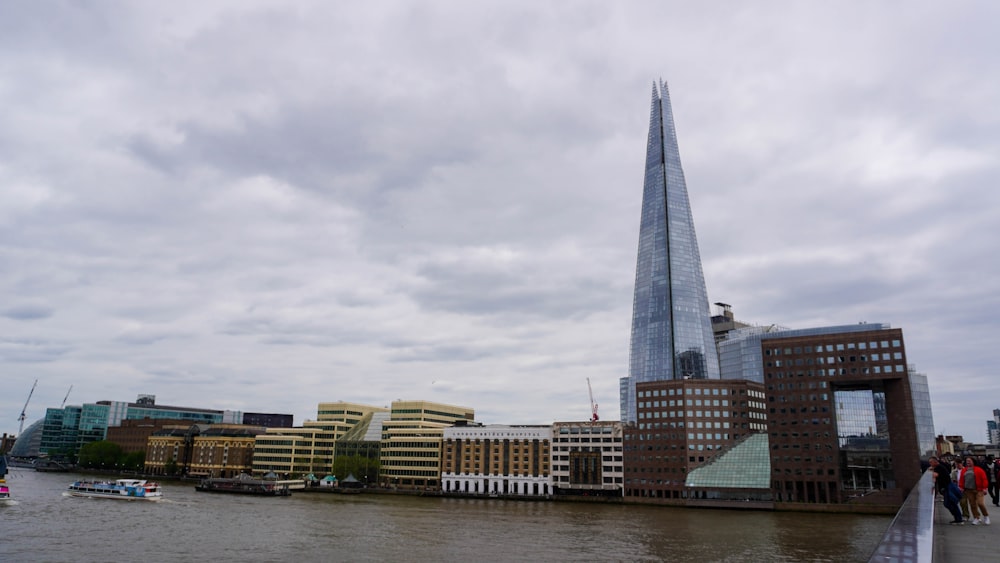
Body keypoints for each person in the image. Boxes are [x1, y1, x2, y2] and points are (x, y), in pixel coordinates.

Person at [930, 456, 964, 525]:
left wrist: (931, 471)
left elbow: (935, 475)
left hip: (948, 487)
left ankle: (959, 519)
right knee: (950, 503)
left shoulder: (939, 468)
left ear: (935, 462)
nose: (930, 463)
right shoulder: (939, 467)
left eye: (931, 462)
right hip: (947, 487)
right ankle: (958, 518)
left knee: (949, 503)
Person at [959, 457, 990, 525]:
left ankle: (986, 516)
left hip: (979, 489)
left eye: (969, 461)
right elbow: (961, 479)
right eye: (967, 461)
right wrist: (961, 487)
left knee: (980, 503)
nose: (968, 462)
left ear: (973, 461)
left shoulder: (979, 470)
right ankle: (976, 518)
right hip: (969, 490)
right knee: (972, 505)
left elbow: (984, 479)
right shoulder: (964, 470)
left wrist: (985, 488)